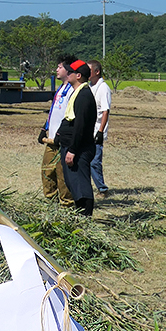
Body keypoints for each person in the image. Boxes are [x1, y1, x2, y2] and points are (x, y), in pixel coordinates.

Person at [55, 59, 98, 217]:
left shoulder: (84, 96)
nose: (67, 74)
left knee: (81, 185)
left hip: (79, 149)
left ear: (78, 76)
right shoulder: (77, 93)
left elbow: (81, 125)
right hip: (70, 145)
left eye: (70, 72)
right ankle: (80, 215)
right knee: (73, 183)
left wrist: (73, 150)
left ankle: (85, 217)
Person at [38, 57, 74, 205]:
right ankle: (51, 203)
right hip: (51, 140)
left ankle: (66, 204)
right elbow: (54, 112)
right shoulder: (60, 89)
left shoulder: (72, 90)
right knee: (47, 172)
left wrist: (61, 134)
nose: (56, 70)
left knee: (62, 175)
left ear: (68, 70)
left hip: (63, 141)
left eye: (60, 67)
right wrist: (44, 128)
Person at [87, 59, 112, 197]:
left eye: (89, 70)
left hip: (96, 130)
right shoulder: (89, 86)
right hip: (87, 130)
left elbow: (105, 111)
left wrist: (101, 132)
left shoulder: (103, 88)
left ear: (97, 72)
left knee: (95, 162)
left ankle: (102, 189)